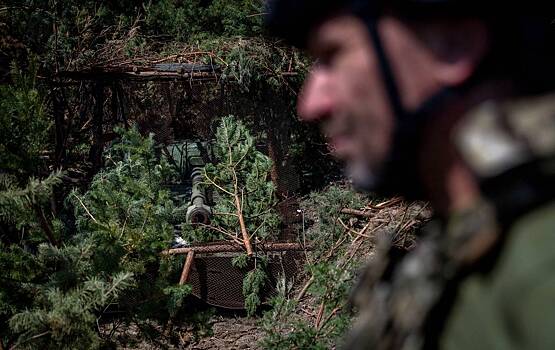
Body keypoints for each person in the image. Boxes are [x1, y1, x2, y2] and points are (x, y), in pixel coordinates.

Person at [266, 1, 555, 349]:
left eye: (333, 54)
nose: (311, 104)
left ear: (453, 42)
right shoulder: (471, 245)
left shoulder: (537, 268)